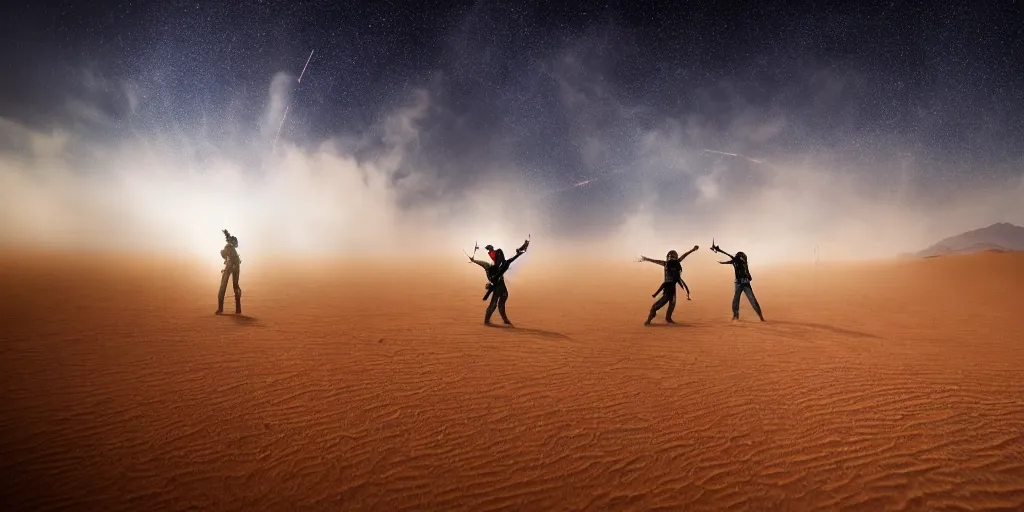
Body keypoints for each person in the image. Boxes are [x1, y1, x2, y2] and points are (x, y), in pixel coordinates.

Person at [639, 245, 699, 325]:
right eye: (671, 256)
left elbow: (684, 255)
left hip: (669, 288)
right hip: (667, 289)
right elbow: (655, 261)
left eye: (673, 256)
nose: (671, 258)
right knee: (660, 305)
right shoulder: (667, 263)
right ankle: (651, 319)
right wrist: (693, 250)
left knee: (671, 304)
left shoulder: (668, 263)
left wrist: (692, 250)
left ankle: (667, 318)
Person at [469, 242, 527, 325]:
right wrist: (519, 253)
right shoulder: (496, 266)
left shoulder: (495, 266)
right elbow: (511, 259)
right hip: (498, 288)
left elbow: (511, 259)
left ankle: (501, 320)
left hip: (500, 288)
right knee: (495, 304)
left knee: (498, 304)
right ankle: (492, 321)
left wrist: (520, 253)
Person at [712, 244, 764, 321]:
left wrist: (720, 251)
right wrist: (721, 254)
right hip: (739, 283)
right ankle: (736, 315)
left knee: (751, 299)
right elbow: (731, 260)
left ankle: (760, 316)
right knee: (737, 299)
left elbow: (745, 269)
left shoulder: (742, 262)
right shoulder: (737, 261)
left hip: (744, 283)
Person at [217, 229, 242, 315]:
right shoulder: (232, 249)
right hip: (236, 266)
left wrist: (222, 252)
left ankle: (220, 309)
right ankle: (238, 309)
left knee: (222, 287)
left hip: (230, 266)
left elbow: (224, 255)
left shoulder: (227, 247)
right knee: (236, 286)